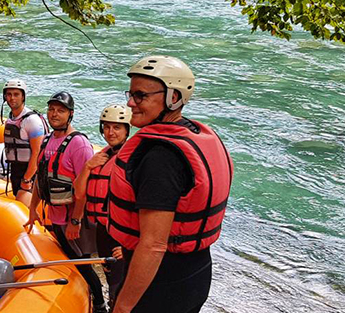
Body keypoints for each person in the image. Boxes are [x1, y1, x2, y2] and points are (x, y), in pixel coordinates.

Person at [107, 56, 233, 313]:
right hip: (195, 272)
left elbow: (154, 244)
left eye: (140, 96)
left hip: (162, 283)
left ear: (173, 98)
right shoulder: (194, 134)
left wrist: (123, 307)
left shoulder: (160, 158)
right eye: (130, 94)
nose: (130, 103)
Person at [25, 91, 106, 313]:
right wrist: (32, 209)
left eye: (60, 110)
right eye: (51, 109)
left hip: (73, 218)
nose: (54, 114)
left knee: (83, 263)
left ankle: (99, 304)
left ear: (70, 114)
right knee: (70, 258)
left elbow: (84, 189)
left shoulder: (79, 144)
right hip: (56, 214)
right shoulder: (48, 140)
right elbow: (41, 179)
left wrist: (76, 221)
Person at [73, 104, 132, 308]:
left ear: (126, 130)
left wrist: (129, 245)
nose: (110, 132)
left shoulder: (132, 160)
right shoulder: (101, 157)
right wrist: (88, 166)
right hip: (103, 231)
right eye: (106, 127)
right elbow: (79, 192)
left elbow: (141, 208)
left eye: (117, 127)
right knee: (111, 280)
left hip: (122, 235)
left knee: (120, 285)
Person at [1, 79, 47, 206]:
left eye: (16, 94)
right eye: (9, 94)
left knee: (25, 208)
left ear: (23, 96)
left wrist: (27, 179)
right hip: (16, 169)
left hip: (30, 172)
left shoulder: (32, 121)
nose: (12, 98)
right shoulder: (12, 118)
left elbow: (37, 153)